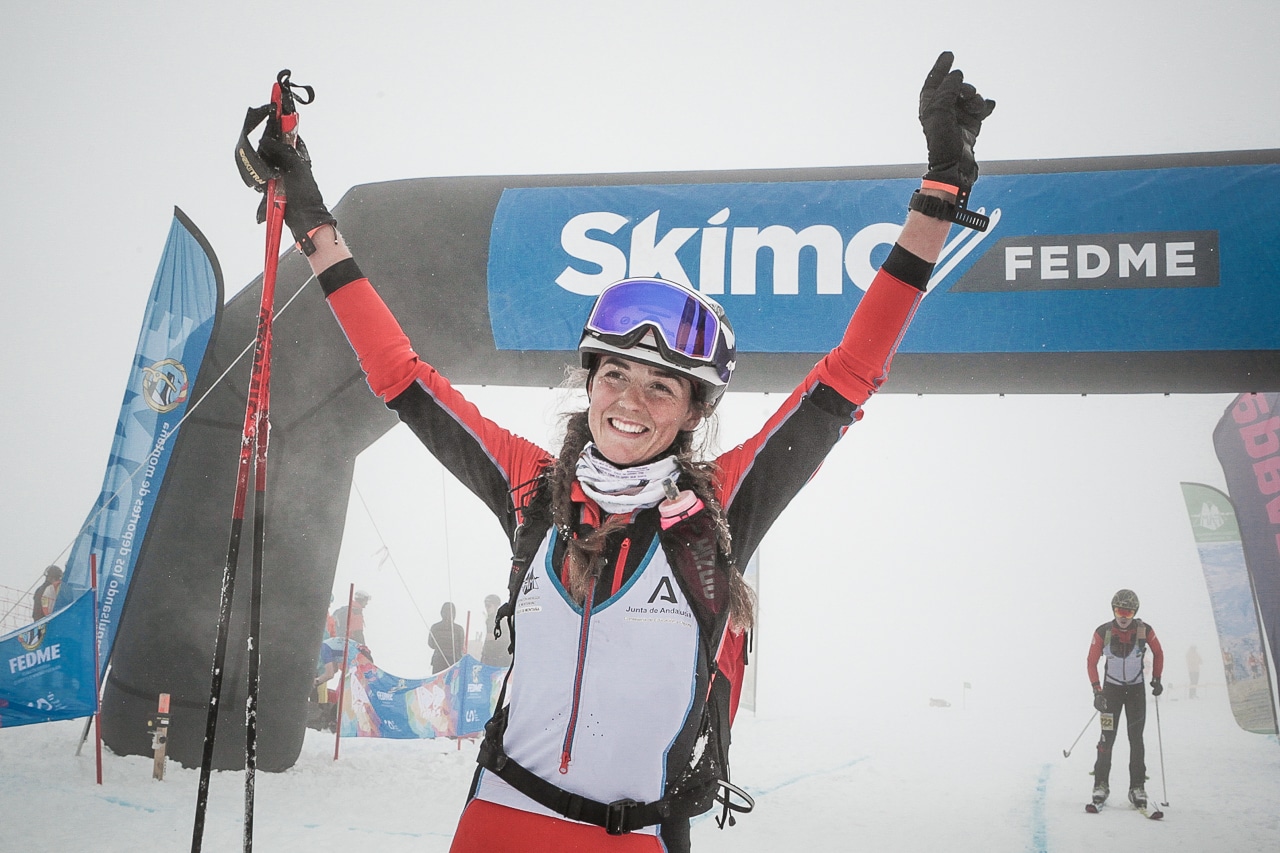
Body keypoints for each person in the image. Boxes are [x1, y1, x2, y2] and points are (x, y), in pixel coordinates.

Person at [248, 50, 994, 852]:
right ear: (591, 382)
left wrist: (939, 194)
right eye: (615, 375)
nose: (629, 401)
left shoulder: (719, 506)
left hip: (632, 838)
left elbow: (848, 375)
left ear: (690, 413)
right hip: (497, 824)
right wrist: (314, 223)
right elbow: (400, 375)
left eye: (660, 387)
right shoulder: (533, 487)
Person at [1086, 589, 1164, 810]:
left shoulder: (1144, 630)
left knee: (1136, 740)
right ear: (1113, 610)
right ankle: (1100, 784)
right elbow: (1091, 662)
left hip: (1136, 693)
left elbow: (1159, 653)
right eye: (1119, 611)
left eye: (1128, 613)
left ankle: (1137, 787)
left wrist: (1157, 679)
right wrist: (1097, 691)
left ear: (1134, 613)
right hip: (1111, 693)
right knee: (1106, 739)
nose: (1123, 616)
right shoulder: (1103, 632)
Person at [429, 601, 466, 673]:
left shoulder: (435, 627)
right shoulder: (458, 629)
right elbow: (461, 646)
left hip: (438, 660)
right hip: (454, 661)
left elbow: (431, 644)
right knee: (452, 683)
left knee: (439, 683)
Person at [480, 594, 513, 668]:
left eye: (489, 606)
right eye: (485, 606)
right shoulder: (488, 620)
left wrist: (495, 637)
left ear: (496, 606)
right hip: (489, 659)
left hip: (500, 660)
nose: (487, 608)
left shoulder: (503, 619)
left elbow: (509, 638)